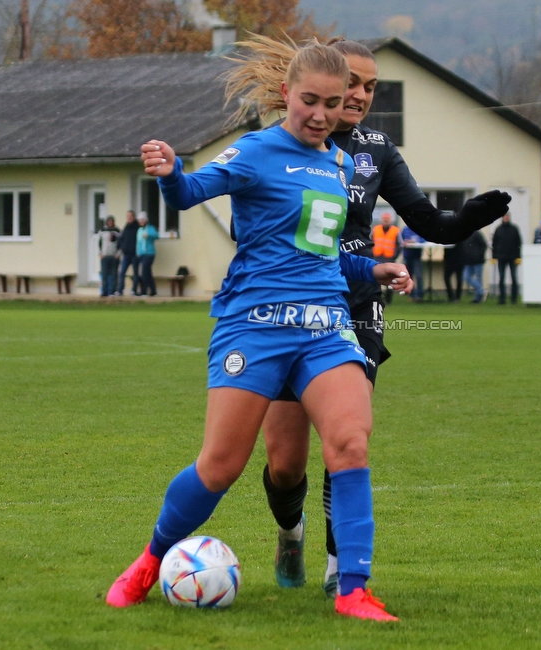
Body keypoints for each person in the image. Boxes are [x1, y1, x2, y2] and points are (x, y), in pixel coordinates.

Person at [106, 41, 413, 622]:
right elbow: (192, 192)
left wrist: (375, 267)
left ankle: (353, 590)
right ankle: (149, 560)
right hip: (255, 324)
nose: (321, 114)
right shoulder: (254, 151)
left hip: (325, 325)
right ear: (285, 97)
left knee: (350, 443)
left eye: (333, 102)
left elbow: (325, 256)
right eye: (309, 101)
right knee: (221, 465)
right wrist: (171, 174)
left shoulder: (340, 164)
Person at [249, 37, 510, 600]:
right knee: (285, 461)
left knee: (346, 440)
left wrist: (465, 219)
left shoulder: (376, 151)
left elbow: (429, 222)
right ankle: (289, 531)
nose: (362, 96)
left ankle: (339, 568)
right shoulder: (277, 145)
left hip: (357, 309)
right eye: (356, 84)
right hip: (289, 307)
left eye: (371, 86)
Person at [492, 212, 522, 304]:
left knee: (514, 278)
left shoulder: (514, 229)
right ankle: (502, 299)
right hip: (501, 257)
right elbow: (494, 244)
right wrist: (494, 256)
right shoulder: (498, 229)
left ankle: (514, 299)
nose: (506, 218)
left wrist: (518, 256)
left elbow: (519, 243)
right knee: (501, 278)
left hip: (513, 257)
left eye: (507, 216)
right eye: (504, 216)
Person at [371, 212, 401, 304]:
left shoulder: (396, 231)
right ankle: (376, 297)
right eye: (384, 220)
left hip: (389, 258)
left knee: (390, 280)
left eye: (387, 220)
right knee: (375, 279)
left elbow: (400, 245)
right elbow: (369, 241)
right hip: (377, 257)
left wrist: (395, 256)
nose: (386, 221)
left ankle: (388, 299)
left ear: (390, 221)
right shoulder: (375, 230)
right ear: (382, 220)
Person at [116, 210, 141, 296]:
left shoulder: (138, 228)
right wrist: (122, 248)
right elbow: (121, 239)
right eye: (128, 216)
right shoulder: (125, 228)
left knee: (135, 273)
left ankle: (134, 290)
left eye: (131, 216)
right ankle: (120, 290)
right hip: (126, 255)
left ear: (133, 217)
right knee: (122, 272)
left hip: (135, 254)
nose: (129, 218)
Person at [136, 213, 159, 297]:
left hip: (149, 253)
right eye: (140, 220)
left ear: (145, 220)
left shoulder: (150, 228)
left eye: (142, 220)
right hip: (142, 254)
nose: (141, 222)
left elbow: (156, 235)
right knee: (148, 273)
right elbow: (138, 243)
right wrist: (137, 252)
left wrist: (148, 235)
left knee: (144, 271)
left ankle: (143, 291)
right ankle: (153, 291)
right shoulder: (139, 230)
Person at [461, 229, 488, 303]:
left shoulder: (477, 234)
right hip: (468, 261)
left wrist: (478, 255)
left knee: (478, 279)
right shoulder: (464, 235)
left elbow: (484, 245)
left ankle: (478, 298)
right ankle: (481, 291)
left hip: (477, 261)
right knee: (466, 277)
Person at [401, 223, 425, 301]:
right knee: (408, 276)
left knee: (418, 276)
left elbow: (423, 240)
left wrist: (414, 241)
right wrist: (404, 243)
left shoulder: (419, 229)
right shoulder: (405, 230)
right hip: (407, 256)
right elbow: (400, 240)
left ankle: (420, 295)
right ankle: (411, 294)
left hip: (417, 256)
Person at [98, 216, 121, 297]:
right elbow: (99, 243)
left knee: (114, 274)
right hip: (105, 256)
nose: (110, 223)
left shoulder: (117, 231)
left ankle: (113, 291)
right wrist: (100, 253)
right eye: (109, 221)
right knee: (104, 275)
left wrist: (118, 254)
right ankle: (104, 291)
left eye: (112, 221)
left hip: (114, 256)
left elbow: (120, 243)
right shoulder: (102, 230)